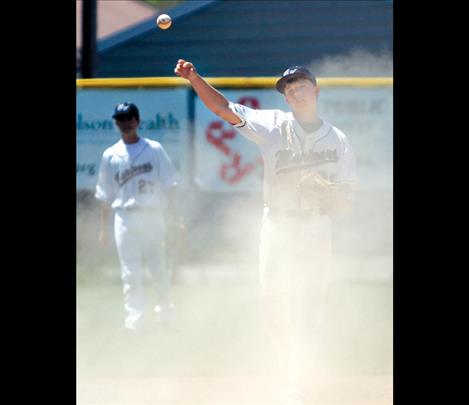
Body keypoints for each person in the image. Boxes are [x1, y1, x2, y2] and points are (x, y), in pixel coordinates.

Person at [175, 60, 358, 404]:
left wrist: (325, 193)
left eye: (301, 86)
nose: (295, 92)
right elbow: (225, 108)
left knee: (310, 304)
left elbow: (346, 200)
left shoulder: (339, 140)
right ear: (286, 100)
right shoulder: (273, 125)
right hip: (278, 225)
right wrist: (195, 79)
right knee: (273, 304)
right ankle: (289, 371)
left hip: (317, 226)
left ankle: (303, 375)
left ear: (315, 91)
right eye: (289, 90)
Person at [95, 102, 179, 331]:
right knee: (130, 271)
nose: (125, 123)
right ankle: (135, 320)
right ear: (116, 122)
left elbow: (170, 185)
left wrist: (172, 218)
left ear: (138, 121)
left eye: (129, 118)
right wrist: (104, 228)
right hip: (124, 217)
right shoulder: (110, 155)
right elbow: (104, 195)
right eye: (120, 119)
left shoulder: (153, 149)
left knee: (158, 267)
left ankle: (166, 315)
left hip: (152, 215)